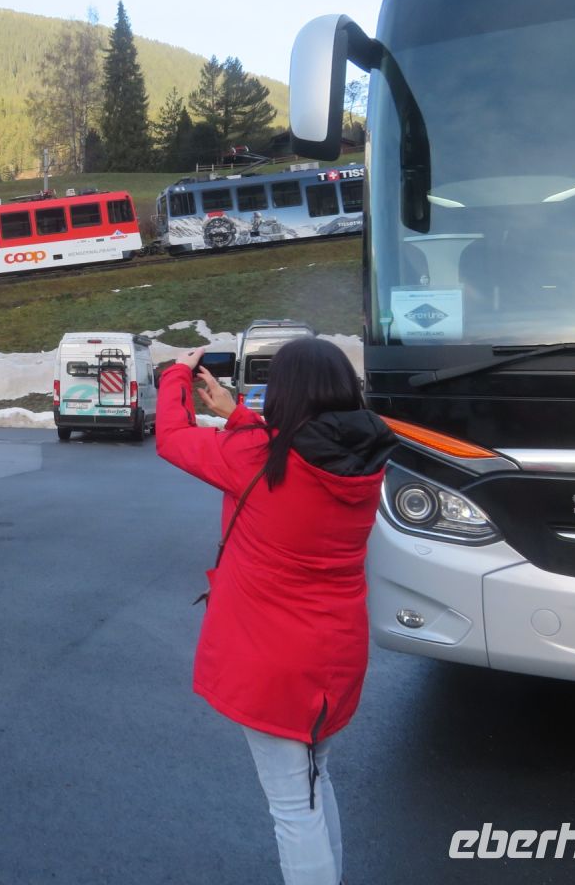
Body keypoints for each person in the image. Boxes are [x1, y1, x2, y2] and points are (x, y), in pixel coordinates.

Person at [155, 339, 395, 885]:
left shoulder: (255, 459)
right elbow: (296, 448)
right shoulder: (363, 458)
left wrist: (176, 376)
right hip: (334, 658)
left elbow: (171, 438)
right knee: (312, 784)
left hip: (274, 664)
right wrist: (236, 414)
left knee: (292, 806)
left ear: (284, 395)